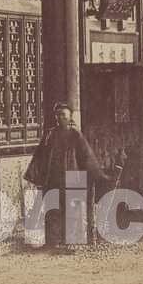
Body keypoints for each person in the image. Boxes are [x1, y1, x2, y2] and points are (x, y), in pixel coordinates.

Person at [24, 101, 108, 250]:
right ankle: (54, 241)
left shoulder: (76, 135)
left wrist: (95, 174)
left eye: (63, 114)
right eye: (58, 114)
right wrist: (36, 176)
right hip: (53, 178)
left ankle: (72, 241)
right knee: (53, 210)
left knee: (73, 210)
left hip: (73, 178)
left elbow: (86, 156)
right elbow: (41, 156)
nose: (60, 117)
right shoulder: (50, 134)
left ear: (70, 116)